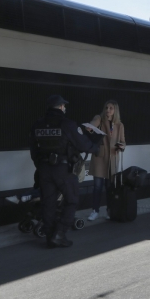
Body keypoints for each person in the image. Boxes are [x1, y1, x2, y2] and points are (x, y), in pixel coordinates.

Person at [30, 95, 99, 248]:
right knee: (72, 200)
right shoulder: (67, 124)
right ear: (61, 107)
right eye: (64, 106)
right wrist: (96, 148)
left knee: (48, 203)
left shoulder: (37, 125)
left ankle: (49, 236)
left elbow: (33, 150)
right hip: (63, 170)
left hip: (44, 170)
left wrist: (41, 166)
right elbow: (82, 144)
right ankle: (59, 233)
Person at [86, 100, 126, 221]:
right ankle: (95, 211)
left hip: (112, 158)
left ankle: (110, 210)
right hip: (100, 157)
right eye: (106, 107)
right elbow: (91, 126)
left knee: (110, 187)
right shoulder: (100, 118)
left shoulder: (119, 125)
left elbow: (123, 141)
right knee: (97, 186)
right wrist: (90, 127)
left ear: (115, 111)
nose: (108, 110)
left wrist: (122, 146)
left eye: (111, 108)